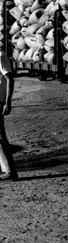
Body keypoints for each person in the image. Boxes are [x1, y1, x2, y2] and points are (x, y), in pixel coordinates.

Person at [0, 49, 17, 181]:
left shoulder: (0, 56)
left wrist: (8, 102)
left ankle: (10, 171)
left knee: (1, 138)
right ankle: (7, 170)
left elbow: (9, 78)